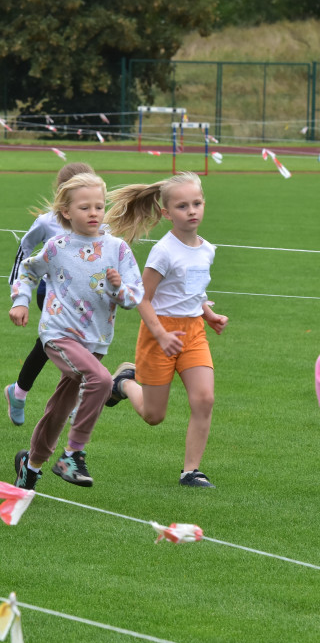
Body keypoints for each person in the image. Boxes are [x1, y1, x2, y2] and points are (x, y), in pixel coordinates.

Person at [9, 172, 143, 491]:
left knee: (59, 408)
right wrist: (21, 301)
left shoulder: (118, 249)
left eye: (99, 206)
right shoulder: (57, 247)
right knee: (102, 380)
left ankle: (31, 466)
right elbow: (28, 270)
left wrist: (119, 288)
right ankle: (73, 454)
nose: (94, 213)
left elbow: (134, 295)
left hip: (95, 339)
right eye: (85, 207)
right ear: (66, 212)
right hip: (58, 334)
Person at [103, 172, 227, 488]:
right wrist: (160, 333)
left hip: (193, 332)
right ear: (166, 213)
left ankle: (191, 472)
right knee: (153, 415)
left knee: (204, 399)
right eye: (183, 206)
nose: (192, 211)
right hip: (159, 334)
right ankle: (123, 384)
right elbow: (142, 297)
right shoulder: (164, 251)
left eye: (197, 203)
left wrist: (209, 314)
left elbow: (193, 291)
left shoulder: (207, 249)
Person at [4, 162, 95, 426]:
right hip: (51, 291)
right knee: (64, 344)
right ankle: (77, 401)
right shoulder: (47, 222)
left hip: (85, 297)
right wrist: (17, 291)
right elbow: (25, 248)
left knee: (51, 346)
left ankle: (18, 392)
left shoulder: (99, 222)